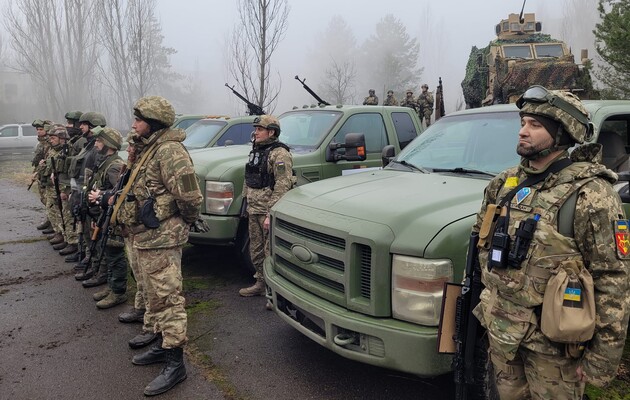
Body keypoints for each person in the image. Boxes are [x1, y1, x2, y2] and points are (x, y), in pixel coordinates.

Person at [471, 86, 630, 399]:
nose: (523, 132)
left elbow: (614, 280)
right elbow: (482, 244)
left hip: (555, 347)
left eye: (535, 125)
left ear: (563, 134)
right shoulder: (504, 184)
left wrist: (601, 358)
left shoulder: (591, 195)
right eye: (523, 123)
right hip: (504, 332)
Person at [119, 95, 201, 396]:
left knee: (168, 299)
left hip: (163, 238)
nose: (133, 124)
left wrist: (185, 222)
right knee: (154, 297)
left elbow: (191, 198)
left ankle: (175, 362)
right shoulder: (148, 149)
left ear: (152, 123)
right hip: (145, 237)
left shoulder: (170, 151)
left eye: (138, 119)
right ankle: (160, 342)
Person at [239, 115, 295, 302]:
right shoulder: (256, 151)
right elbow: (248, 177)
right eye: (255, 129)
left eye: (259, 129)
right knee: (256, 251)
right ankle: (261, 284)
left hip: (267, 211)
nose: (255, 132)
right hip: (254, 209)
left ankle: (274, 293)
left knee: (271, 253)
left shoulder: (280, 154)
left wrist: (271, 213)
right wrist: (245, 201)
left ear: (271, 132)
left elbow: (282, 185)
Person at [117, 131, 159, 350]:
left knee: (147, 277)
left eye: (132, 147)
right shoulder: (130, 167)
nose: (129, 150)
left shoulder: (147, 168)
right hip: (131, 229)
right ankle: (140, 307)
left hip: (145, 230)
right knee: (137, 272)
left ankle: (151, 324)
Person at [83, 127, 129, 307]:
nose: (96, 144)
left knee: (116, 254)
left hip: (114, 219)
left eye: (99, 141)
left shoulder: (114, 165)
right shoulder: (105, 163)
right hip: (104, 216)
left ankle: (118, 292)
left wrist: (100, 195)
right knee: (109, 253)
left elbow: (119, 193)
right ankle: (112, 287)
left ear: (108, 144)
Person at [32, 119, 52, 232]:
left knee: (49, 200)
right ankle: (49, 220)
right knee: (44, 199)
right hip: (40, 174)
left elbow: (46, 161)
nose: (38, 132)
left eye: (41, 129)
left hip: (47, 175)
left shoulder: (49, 143)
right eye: (37, 129)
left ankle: (52, 224)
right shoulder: (41, 143)